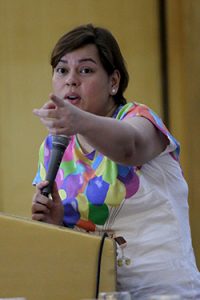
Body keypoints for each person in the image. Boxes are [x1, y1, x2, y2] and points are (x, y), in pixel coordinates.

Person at [32, 24, 200, 299]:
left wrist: (78, 121)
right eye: (62, 70)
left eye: (85, 70)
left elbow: (129, 148)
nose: (71, 80)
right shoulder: (54, 145)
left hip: (167, 293)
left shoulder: (139, 118)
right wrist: (57, 224)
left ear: (113, 82)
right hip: (98, 292)